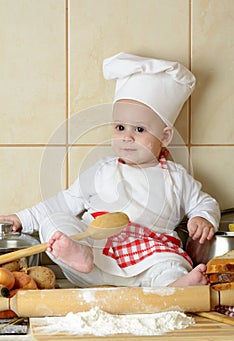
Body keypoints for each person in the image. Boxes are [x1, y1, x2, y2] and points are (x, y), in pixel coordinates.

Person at [0, 52, 220, 288]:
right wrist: (22, 218)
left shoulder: (177, 177)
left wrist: (202, 217)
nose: (127, 137)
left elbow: (205, 203)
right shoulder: (101, 171)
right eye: (120, 127)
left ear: (165, 136)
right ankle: (77, 253)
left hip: (150, 256)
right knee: (54, 222)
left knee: (171, 263)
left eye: (139, 129)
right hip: (94, 257)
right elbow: (62, 202)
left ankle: (173, 287)